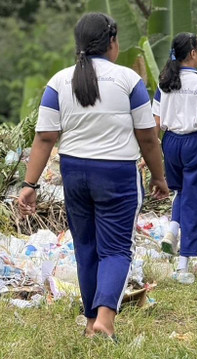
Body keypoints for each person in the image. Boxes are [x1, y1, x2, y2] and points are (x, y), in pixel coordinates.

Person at [17, 12, 169, 341]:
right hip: (117, 173)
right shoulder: (129, 81)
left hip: (74, 171)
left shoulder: (58, 82)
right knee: (115, 250)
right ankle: (105, 320)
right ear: (112, 43)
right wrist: (158, 176)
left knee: (86, 248)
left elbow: (44, 138)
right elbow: (147, 137)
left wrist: (29, 185)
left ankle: (90, 324)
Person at [152, 32, 197, 275]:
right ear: (193, 54)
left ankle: (172, 227)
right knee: (194, 200)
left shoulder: (165, 81)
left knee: (181, 191)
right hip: (193, 143)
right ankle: (183, 264)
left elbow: (156, 119)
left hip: (170, 142)